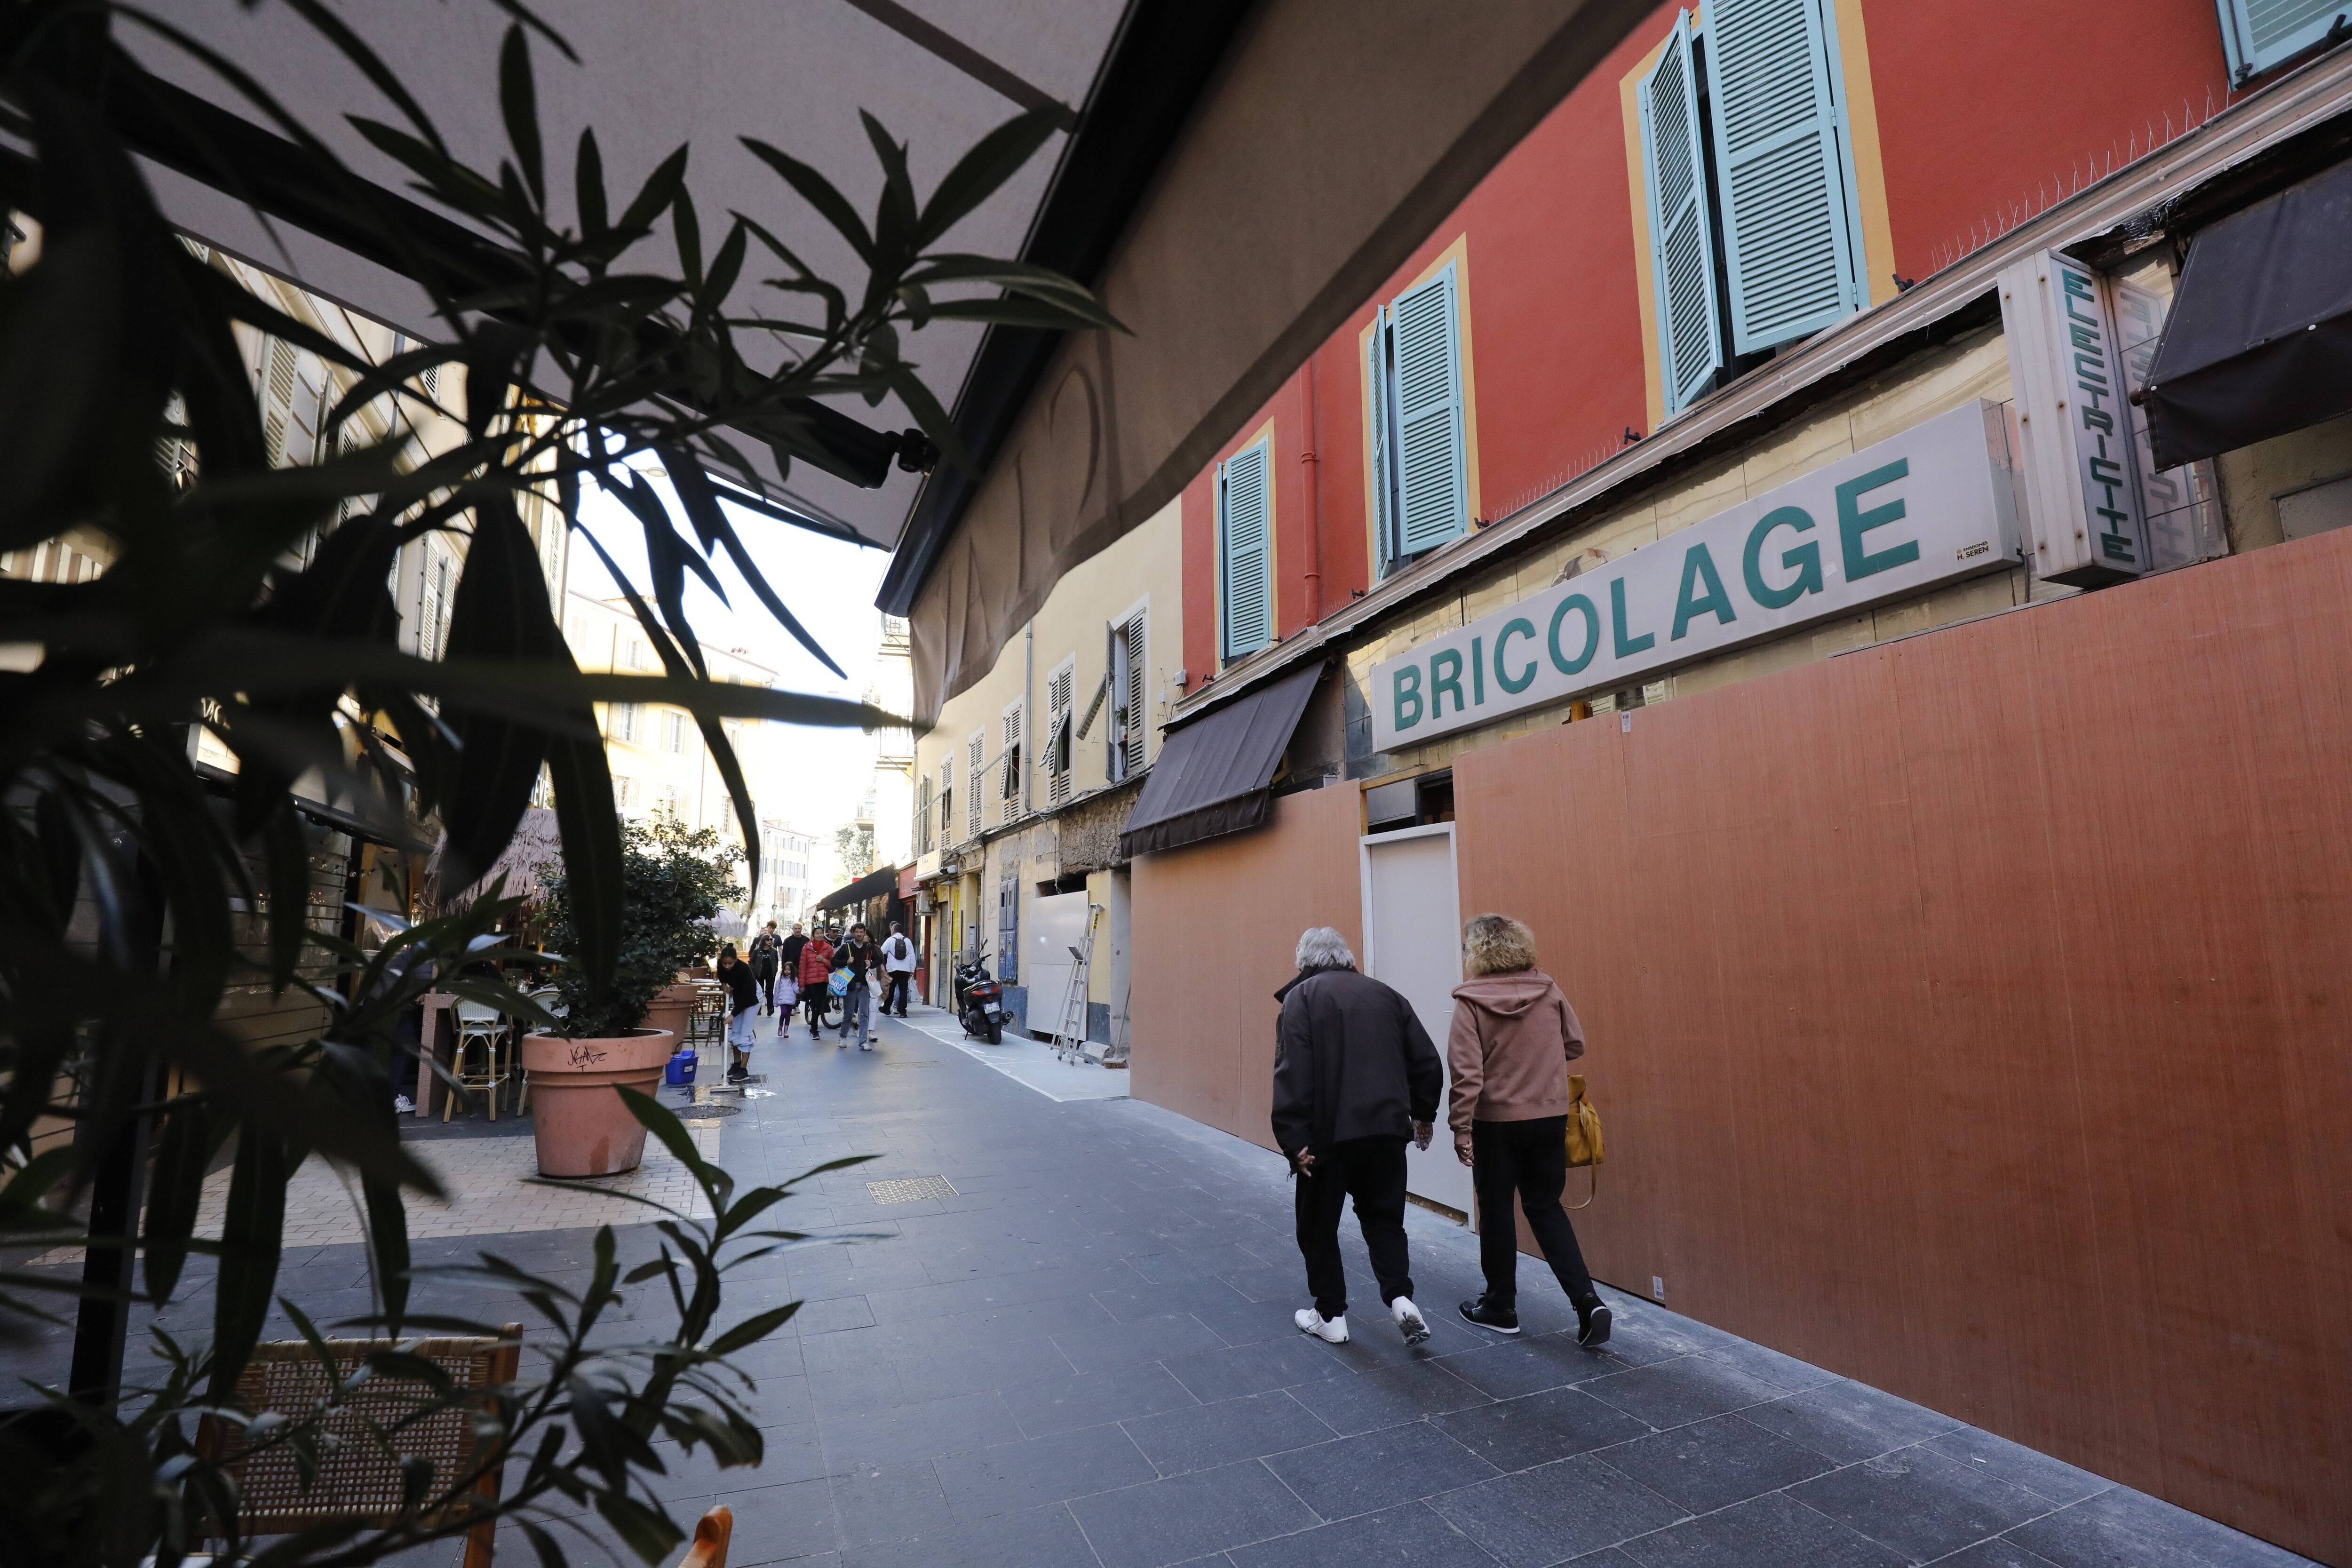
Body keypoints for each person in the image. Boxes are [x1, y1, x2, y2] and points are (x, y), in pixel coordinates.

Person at [1271, 926, 1441, 1347]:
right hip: (1386, 1132)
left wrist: (1294, 1142)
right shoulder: (1388, 995)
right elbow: (1427, 1061)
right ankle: (1401, 1298)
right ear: (1346, 957)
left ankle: (1331, 1314)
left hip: (1329, 1139)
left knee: (1317, 1225)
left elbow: (1293, 1073)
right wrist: (1423, 1114)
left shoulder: (1302, 999)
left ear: (1304, 962)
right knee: (1385, 1220)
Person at [1447, 913, 1612, 1348]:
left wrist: (1460, 1127)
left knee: (1497, 1208)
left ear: (1476, 952)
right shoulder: (1548, 990)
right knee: (1545, 1206)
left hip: (1495, 1123)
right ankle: (1587, 1301)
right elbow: (1575, 1044)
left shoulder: (1470, 1002)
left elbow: (1466, 1074)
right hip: (1549, 1118)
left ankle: (1501, 1306)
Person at [715, 942, 761, 1083]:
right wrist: (724, 986)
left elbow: (747, 998)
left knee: (745, 1032)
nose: (727, 966)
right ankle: (736, 1065)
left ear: (736, 960)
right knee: (735, 1031)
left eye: (730, 963)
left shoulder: (744, 970)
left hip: (753, 998)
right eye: (725, 964)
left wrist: (732, 1015)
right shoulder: (721, 965)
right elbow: (722, 975)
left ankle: (743, 1069)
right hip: (740, 996)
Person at [831, 923, 879, 1050]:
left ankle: (863, 1042)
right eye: (857, 932)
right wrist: (846, 962)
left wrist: (872, 963)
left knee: (864, 1014)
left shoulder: (869, 948)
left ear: (865, 933)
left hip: (864, 985)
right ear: (853, 932)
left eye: (861, 932)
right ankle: (843, 1037)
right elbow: (834, 961)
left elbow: (879, 959)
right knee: (848, 1014)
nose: (859, 934)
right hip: (850, 985)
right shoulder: (847, 947)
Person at [797, 925, 835, 1039]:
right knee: (816, 1004)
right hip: (811, 981)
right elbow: (802, 966)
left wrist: (824, 961)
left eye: (821, 933)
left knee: (820, 1005)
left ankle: (813, 1028)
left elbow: (832, 965)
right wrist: (802, 984)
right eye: (817, 934)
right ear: (813, 935)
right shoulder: (807, 948)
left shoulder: (828, 948)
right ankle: (814, 1029)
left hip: (824, 980)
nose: (819, 936)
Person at [774, 922, 806, 1035]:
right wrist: (784, 968)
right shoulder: (788, 941)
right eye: (796, 929)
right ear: (793, 929)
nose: (797, 930)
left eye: (799, 928)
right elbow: (785, 955)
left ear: (802, 929)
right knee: (791, 985)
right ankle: (792, 1007)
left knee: (798, 985)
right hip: (791, 967)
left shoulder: (806, 940)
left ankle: (795, 1005)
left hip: (802, 966)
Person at [880, 921, 917, 1016]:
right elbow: (912, 957)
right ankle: (903, 1012)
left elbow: (881, 951)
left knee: (891, 990)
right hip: (905, 970)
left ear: (893, 930)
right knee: (903, 991)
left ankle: (887, 1008)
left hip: (893, 969)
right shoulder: (908, 941)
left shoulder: (890, 940)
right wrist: (912, 971)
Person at [749, 922, 781, 1014]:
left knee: (769, 992)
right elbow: (751, 961)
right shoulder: (757, 951)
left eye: (771, 940)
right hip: (759, 974)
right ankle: (758, 1009)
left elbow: (775, 962)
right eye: (768, 940)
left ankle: (770, 1009)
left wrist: (775, 970)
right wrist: (754, 970)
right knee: (759, 991)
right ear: (764, 941)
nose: (770, 941)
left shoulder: (774, 951)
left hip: (770, 974)